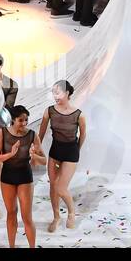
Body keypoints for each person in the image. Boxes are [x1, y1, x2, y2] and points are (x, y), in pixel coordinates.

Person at [37, 80, 85, 231]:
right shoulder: (49, 111)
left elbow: (83, 135)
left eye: (57, 92)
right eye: (53, 93)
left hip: (71, 152)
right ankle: (56, 217)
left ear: (67, 93)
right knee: (53, 185)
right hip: (55, 151)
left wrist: (76, 149)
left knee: (61, 188)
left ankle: (71, 212)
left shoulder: (79, 115)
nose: (55, 96)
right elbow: (42, 133)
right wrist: (37, 149)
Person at [0, 105, 41, 248]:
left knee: (27, 217)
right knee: (11, 213)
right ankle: (12, 246)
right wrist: (10, 154)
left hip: (25, 176)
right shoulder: (2, 133)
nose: (25, 123)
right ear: (13, 120)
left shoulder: (32, 135)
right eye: (21, 120)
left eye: (26, 120)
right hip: (7, 176)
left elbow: (44, 159)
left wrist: (35, 156)